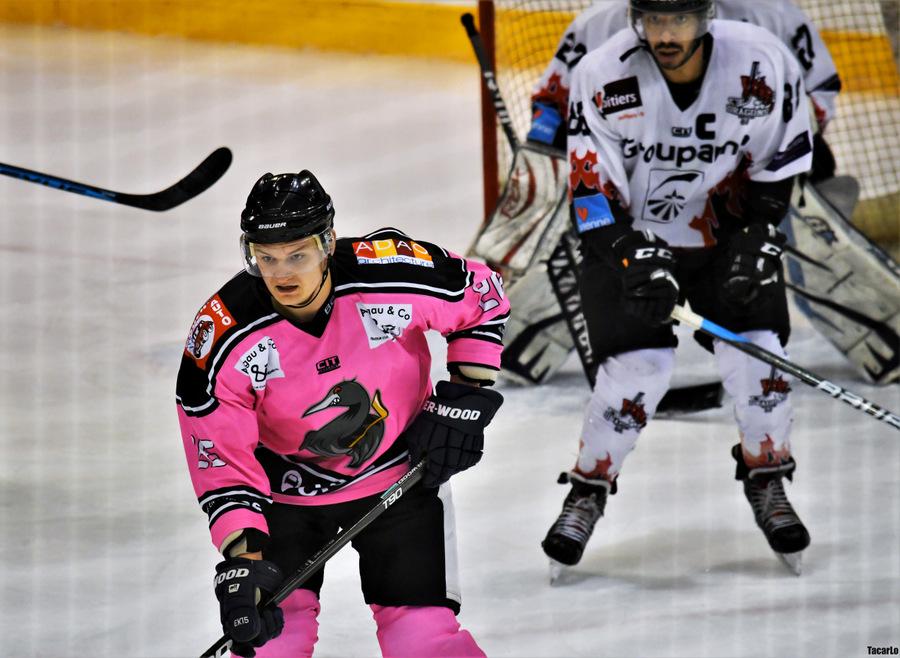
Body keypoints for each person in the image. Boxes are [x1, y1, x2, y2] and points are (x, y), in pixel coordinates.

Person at [176, 170, 508, 656]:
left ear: (328, 243)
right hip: (282, 495)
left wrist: (465, 397)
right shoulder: (223, 334)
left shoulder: (388, 272)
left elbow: (483, 293)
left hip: (400, 474)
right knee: (271, 645)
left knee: (422, 641)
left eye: (297, 255)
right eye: (266, 257)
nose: (281, 274)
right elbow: (219, 455)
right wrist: (243, 561)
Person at [540, 0, 814, 574]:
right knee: (636, 371)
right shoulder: (602, 73)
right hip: (629, 242)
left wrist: (759, 234)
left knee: (760, 357)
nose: (665, 34)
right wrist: (631, 256)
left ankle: (767, 475)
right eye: (654, 20)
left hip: (725, 238)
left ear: (706, 16)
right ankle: (588, 488)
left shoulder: (761, 62)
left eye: (680, 20)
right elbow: (590, 197)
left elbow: (779, 166)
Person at [528, 0, 840, 182]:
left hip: (740, 183)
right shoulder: (604, 18)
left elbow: (818, 91)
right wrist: (546, 155)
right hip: (631, 182)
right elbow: (550, 103)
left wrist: (790, 142)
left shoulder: (771, 12)